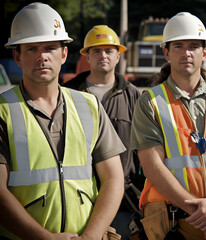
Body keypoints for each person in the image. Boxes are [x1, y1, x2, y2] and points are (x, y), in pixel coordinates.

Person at [0, 3, 125, 239]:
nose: (42, 57)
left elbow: (114, 178)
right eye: (32, 49)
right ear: (17, 56)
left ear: (64, 54)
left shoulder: (89, 106)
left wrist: (92, 236)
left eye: (50, 48)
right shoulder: (2, 111)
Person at [130, 12, 206, 240]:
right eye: (178, 46)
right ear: (166, 52)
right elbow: (152, 165)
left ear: (204, 52)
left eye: (194, 46)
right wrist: (199, 210)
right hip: (170, 220)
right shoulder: (150, 102)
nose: (186, 53)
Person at [63, 25, 141, 240]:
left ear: (118, 56)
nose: (103, 56)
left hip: (124, 203)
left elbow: (142, 152)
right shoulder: (68, 94)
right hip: (78, 199)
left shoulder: (134, 97)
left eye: (109, 50)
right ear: (86, 56)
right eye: (96, 51)